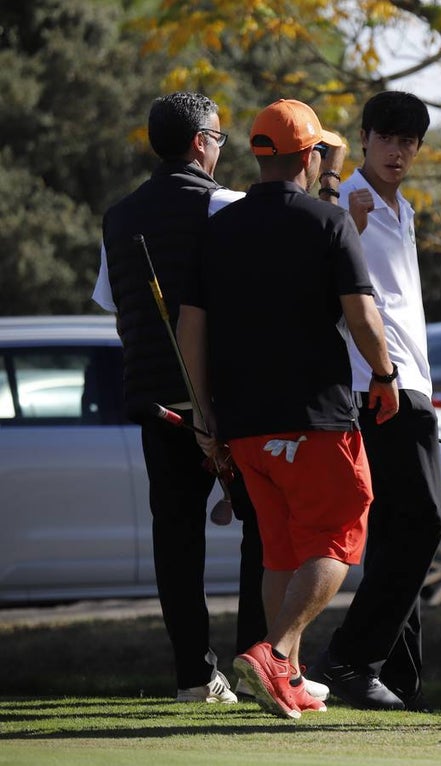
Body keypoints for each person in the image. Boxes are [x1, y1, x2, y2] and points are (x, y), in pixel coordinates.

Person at [177, 98, 401, 720]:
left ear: (258, 152)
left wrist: (202, 410)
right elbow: (363, 315)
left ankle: (291, 677)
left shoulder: (218, 228)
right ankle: (275, 654)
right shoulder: (328, 222)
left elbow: (191, 327)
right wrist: (386, 376)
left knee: (280, 551)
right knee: (341, 529)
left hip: (243, 422)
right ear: (310, 155)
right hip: (315, 416)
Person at [95, 91, 266, 704]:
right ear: (200, 143)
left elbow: (113, 303)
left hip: (154, 398)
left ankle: (195, 675)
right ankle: (257, 663)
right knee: (262, 528)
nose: (220, 148)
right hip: (228, 396)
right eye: (218, 138)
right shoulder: (228, 205)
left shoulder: (118, 216)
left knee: (176, 538)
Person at [310, 91, 441, 712]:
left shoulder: (404, 208)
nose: (397, 151)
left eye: (409, 141)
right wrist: (351, 226)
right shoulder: (343, 204)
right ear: (364, 137)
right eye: (387, 137)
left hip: (409, 381)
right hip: (377, 384)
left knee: (397, 532)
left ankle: (399, 679)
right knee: (424, 521)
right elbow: (320, 294)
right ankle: (348, 658)